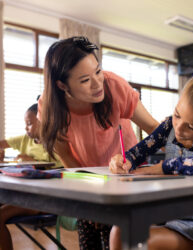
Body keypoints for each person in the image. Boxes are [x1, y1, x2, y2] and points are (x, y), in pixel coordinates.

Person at [38, 36, 159, 249]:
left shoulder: (113, 86)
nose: (97, 84)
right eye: (85, 80)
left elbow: (154, 129)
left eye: (98, 71)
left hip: (127, 177)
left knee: (119, 239)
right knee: (90, 236)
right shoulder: (50, 108)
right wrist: (93, 196)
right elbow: (67, 157)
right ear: (62, 85)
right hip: (89, 181)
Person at [109, 70, 193, 250]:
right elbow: (136, 153)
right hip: (170, 214)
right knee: (119, 230)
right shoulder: (167, 127)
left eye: (192, 126)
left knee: (130, 240)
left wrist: (166, 167)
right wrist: (124, 161)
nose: (179, 128)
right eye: (177, 115)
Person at [0, 103, 62, 250]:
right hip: (22, 195)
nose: (26, 128)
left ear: (43, 121)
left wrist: (32, 162)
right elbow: (1, 144)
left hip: (42, 199)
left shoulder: (56, 143)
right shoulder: (25, 139)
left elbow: (62, 171)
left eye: (29, 124)